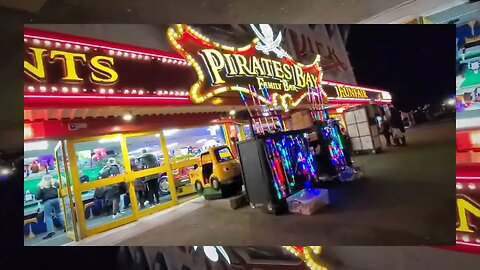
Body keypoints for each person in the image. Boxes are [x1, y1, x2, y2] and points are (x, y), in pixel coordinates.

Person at [35, 175, 65, 240]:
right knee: (59, 213)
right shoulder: (54, 184)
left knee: (47, 216)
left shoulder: (42, 186)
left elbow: (37, 197)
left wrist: (40, 190)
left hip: (48, 201)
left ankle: (51, 233)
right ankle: (65, 227)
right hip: (57, 199)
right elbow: (60, 187)